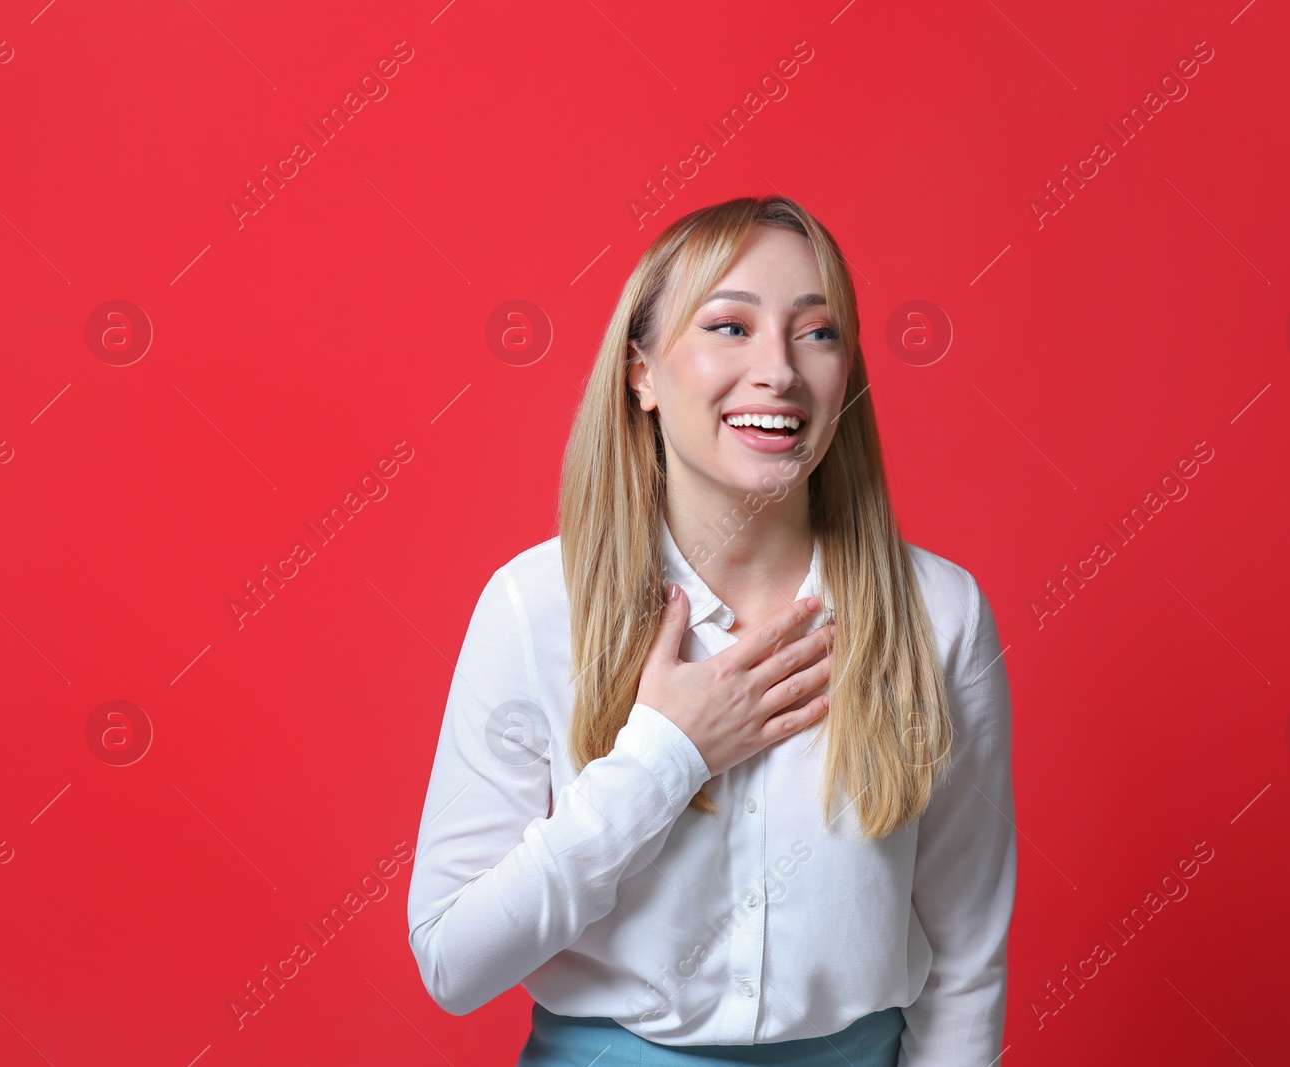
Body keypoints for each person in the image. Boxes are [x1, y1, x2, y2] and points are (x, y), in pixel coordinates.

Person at [406, 195, 1015, 1066]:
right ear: (641, 373)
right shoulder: (534, 604)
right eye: (729, 327)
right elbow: (453, 959)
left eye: (818, 332)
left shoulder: (940, 614)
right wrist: (663, 755)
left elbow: (966, 957)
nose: (780, 370)